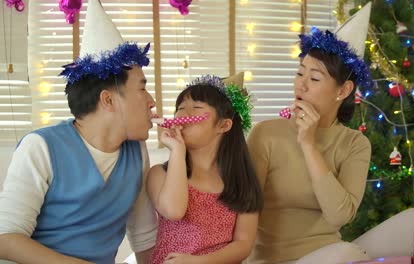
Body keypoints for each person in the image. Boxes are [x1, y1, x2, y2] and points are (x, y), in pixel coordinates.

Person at [246, 3, 414, 264]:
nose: (301, 84)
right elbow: (243, 209)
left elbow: (339, 216)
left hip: (333, 253)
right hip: (278, 260)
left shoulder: (355, 143)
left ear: (342, 91)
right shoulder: (266, 134)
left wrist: (308, 145)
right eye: (300, 73)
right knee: (345, 254)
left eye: (315, 78)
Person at [0, 0, 157, 263]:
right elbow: (6, 238)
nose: (152, 100)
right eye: (142, 88)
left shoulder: (137, 153)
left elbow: (144, 238)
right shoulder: (40, 147)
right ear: (108, 100)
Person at [147, 74, 263, 264]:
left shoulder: (242, 182)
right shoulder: (160, 174)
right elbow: (174, 210)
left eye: (196, 108)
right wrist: (177, 150)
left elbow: (243, 244)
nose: (183, 115)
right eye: (180, 108)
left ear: (224, 125)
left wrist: (199, 261)